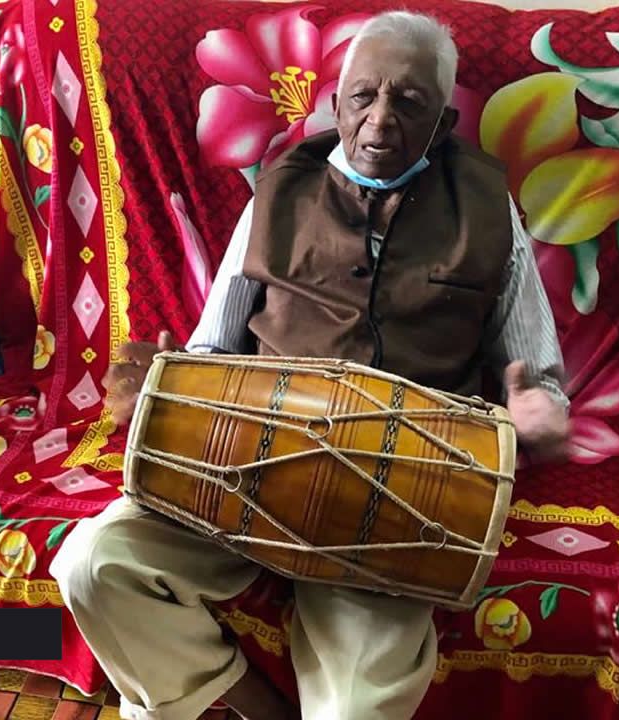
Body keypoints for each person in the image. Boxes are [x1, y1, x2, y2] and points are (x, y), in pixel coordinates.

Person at [51, 11, 569, 720]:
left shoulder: (487, 208)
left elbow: (537, 376)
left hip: (394, 498)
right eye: (363, 96)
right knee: (94, 563)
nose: (380, 120)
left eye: (408, 103)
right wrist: (166, 388)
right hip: (245, 466)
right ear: (335, 103)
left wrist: (539, 411)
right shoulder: (280, 189)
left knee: (357, 709)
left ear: (444, 122)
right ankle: (248, 705)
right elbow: (212, 348)